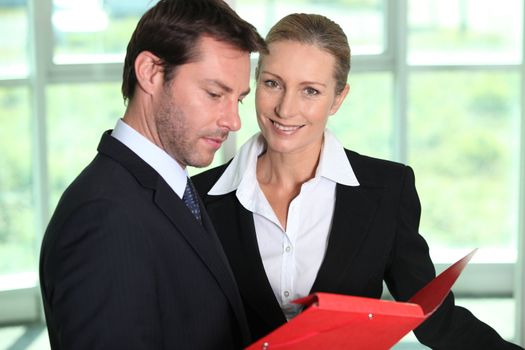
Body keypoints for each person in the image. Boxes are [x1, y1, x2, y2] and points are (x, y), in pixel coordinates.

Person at [192, 13, 523, 349]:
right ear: (256, 81)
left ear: (338, 98)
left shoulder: (388, 191)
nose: (285, 108)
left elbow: (435, 321)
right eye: (273, 83)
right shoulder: (199, 199)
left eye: (310, 91)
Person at [39, 1, 266, 349]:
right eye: (214, 93)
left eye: (238, 99)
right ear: (150, 72)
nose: (233, 121)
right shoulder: (103, 219)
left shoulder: (172, 188)